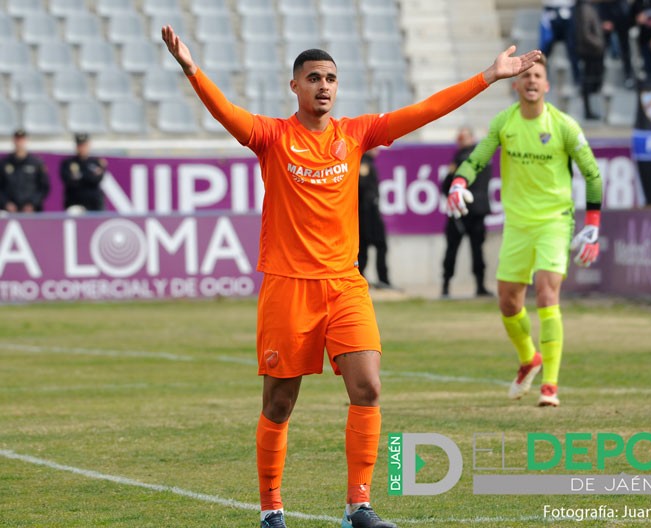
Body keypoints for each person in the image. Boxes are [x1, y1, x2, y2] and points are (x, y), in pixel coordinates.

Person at [161, 24, 541, 528]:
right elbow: (225, 113)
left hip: (345, 286)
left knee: (368, 388)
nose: (323, 85)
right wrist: (192, 68)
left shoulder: (356, 134)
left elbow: (422, 112)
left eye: (331, 78)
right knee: (279, 402)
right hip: (288, 287)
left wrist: (488, 77)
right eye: (313, 77)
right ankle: (271, 509)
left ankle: (358, 506)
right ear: (293, 86)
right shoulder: (272, 137)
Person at [448, 55, 602, 408]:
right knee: (507, 302)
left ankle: (550, 384)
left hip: (554, 222)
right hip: (517, 224)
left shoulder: (564, 126)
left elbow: (592, 174)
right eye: (526, 76)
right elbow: (477, 159)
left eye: (538, 75)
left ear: (546, 85)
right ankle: (528, 359)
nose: (531, 80)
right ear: (515, 85)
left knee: (547, 295)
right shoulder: (505, 122)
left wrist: (593, 224)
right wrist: (459, 182)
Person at [440, 126, 493, 298]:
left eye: (463, 138)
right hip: (478, 210)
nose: (460, 141)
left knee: (453, 250)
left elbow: (446, 185)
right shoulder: (483, 159)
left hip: (460, 212)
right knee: (476, 250)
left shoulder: (461, 160)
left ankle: (446, 286)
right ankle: (480, 286)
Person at [358, 148, 392, 289]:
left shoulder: (367, 162)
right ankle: (382, 280)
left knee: (364, 248)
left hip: (365, 213)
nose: (377, 148)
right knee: (377, 246)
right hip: (367, 214)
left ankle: (363, 278)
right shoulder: (364, 163)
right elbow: (363, 186)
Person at [0, 129, 49, 213]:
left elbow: (43, 187)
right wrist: (6, 203)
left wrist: (32, 204)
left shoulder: (36, 163)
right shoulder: (4, 163)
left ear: (26, 141)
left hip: (32, 210)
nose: (19, 143)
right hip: (9, 210)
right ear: (14, 141)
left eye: (22, 140)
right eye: (17, 140)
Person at [60, 133, 108, 212]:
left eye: (84, 145)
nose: (82, 148)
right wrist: (89, 176)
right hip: (75, 202)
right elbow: (69, 181)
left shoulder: (96, 162)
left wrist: (79, 176)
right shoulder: (68, 163)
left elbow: (96, 179)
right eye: (80, 146)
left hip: (94, 204)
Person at [575, 0, 606, 119]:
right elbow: (586, 33)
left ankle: (592, 111)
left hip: (592, 52)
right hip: (590, 53)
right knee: (588, 83)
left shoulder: (589, 8)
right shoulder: (585, 9)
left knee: (593, 83)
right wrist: (600, 44)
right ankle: (589, 112)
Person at [597, 0, 635, 88]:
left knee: (625, 49)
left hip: (620, 13)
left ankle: (628, 75)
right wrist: (603, 20)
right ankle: (598, 77)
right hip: (605, 11)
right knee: (601, 48)